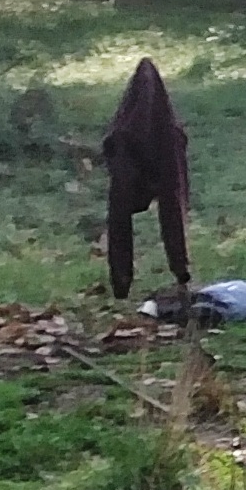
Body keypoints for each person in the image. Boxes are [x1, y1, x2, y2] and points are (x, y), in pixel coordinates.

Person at [100, 58, 192, 306]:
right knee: (162, 208)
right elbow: (174, 207)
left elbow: (119, 214)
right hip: (139, 164)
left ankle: (122, 284)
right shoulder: (167, 135)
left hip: (138, 163)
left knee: (122, 214)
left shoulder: (124, 133)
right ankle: (127, 282)